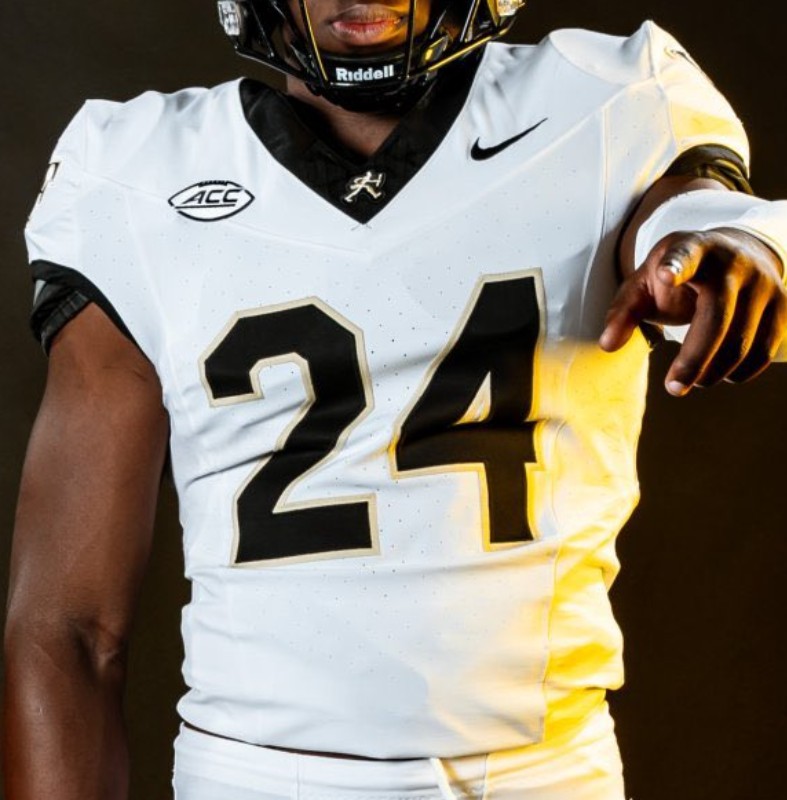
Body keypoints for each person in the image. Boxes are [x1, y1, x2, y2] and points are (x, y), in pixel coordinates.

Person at [4, 0, 786, 798]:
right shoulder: (134, 173)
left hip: (543, 773)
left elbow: (691, 214)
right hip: (256, 776)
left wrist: (744, 243)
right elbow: (68, 629)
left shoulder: (607, 99)